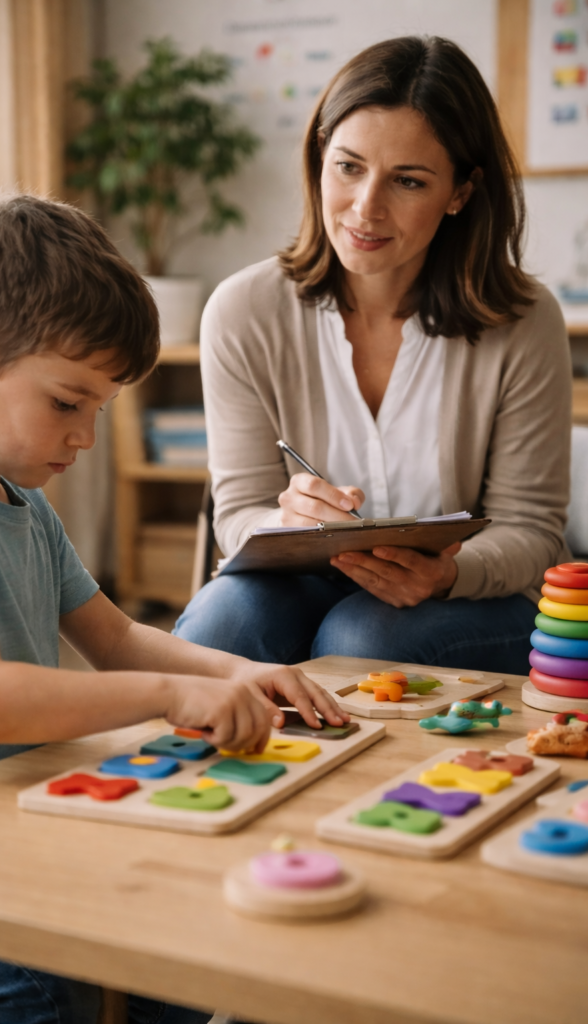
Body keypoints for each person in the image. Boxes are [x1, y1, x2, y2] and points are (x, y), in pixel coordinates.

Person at [0, 194, 346, 1024]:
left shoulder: (16, 498)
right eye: (68, 404)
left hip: (31, 820)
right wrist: (172, 696)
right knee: (64, 1003)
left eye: (98, 411)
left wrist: (244, 670)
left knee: (176, 968)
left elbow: (112, 636)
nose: (84, 437)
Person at [174, 35, 573, 675]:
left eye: (408, 180)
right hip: (303, 581)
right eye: (349, 166)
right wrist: (283, 519)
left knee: (364, 639)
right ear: (319, 158)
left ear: (460, 194)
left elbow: (531, 533)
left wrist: (448, 572)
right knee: (223, 625)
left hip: (473, 596)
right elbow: (239, 516)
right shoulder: (242, 310)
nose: (366, 208)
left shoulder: (523, 321)